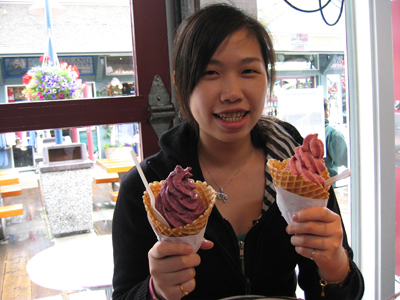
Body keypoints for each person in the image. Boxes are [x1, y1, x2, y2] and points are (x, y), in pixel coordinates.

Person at [112, 4, 364, 300]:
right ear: (182, 85)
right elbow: (126, 294)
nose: (231, 92)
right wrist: (155, 291)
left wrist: (335, 267)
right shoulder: (147, 190)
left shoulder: (300, 170)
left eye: (248, 71)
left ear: (267, 78)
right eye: (210, 72)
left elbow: (340, 292)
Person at [324, 98, 348, 182]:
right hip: (327, 185)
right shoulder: (332, 134)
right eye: (328, 110)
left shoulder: (296, 131)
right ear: (325, 112)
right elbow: (346, 160)